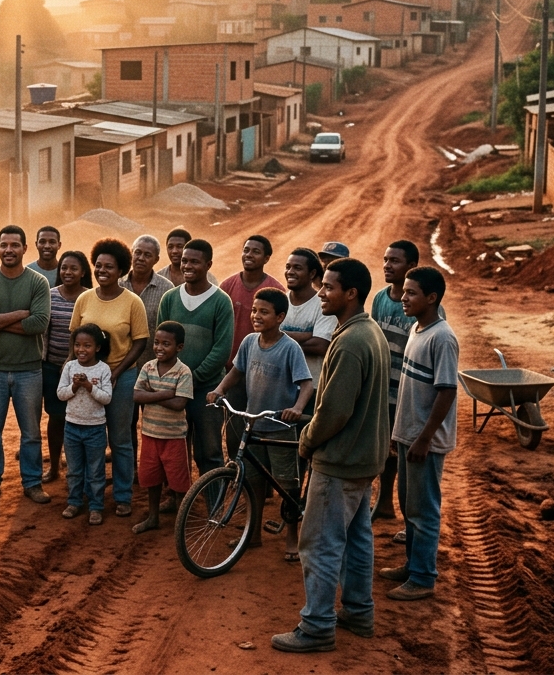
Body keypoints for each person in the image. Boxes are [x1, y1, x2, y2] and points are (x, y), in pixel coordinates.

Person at [273, 258, 390, 655]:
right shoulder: (368, 331)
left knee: (319, 544)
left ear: (351, 293)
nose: (321, 293)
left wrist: (307, 440)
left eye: (329, 287)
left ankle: (318, 625)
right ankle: (358, 611)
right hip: (364, 459)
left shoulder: (351, 341)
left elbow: (334, 412)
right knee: (357, 540)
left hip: (339, 461)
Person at [209, 288, 313, 560]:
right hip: (253, 426)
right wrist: (220, 390)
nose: (256, 315)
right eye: (254, 310)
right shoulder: (249, 341)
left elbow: (306, 383)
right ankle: (252, 535)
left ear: (280, 317)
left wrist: (297, 408)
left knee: (287, 485)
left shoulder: (289, 347)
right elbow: (237, 370)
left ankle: (292, 538)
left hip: (280, 427)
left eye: (263, 312)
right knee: (252, 483)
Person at [379, 267, 457, 602]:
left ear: (432, 298)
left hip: (425, 440)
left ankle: (424, 577)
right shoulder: (416, 328)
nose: (404, 298)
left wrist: (425, 438)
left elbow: (446, 391)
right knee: (410, 507)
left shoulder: (442, 337)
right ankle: (412, 565)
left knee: (424, 511)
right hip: (408, 434)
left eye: (411, 293)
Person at [0, 225, 52, 504]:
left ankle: (32, 483)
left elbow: (39, 324)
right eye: (4, 245)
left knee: (30, 433)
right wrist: (19, 315)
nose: (8, 250)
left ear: (24, 248)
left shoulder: (38, 282)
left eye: (14, 245)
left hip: (29, 369)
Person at [70, 239, 149, 517]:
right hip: (84, 379)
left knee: (120, 439)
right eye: (98, 266)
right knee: (85, 435)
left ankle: (123, 496)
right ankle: (83, 495)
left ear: (121, 270)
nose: (102, 271)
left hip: (122, 377)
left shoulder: (132, 302)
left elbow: (139, 342)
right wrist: (71, 372)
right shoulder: (84, 299)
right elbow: (75, 340)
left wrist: (115, 373)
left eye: (109, 267)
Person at [370, 240, 445, 525]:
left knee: (410, 461)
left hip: (409, 394)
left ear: (411, 266)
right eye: (385, 259)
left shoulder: (428, 310)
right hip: (383, 390)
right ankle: (385, 501)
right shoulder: (379, 299)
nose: (387, 265)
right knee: (386, 451)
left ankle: (412, 520)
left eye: (395, 261)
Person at [156, 239, 234, 477]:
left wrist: (190, 380)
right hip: (174, 388)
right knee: (173, 448)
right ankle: (177, 501)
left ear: (208, 264)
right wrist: (175, 382)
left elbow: (221, 351)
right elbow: (161, 345)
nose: (187, 266)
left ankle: (215, 505)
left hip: (206, 391)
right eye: (184, 261)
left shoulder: (221, 302)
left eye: (194, 262)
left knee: (208, 451)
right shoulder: (169, 298)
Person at [130, 322, 193, 535]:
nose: (159, 348)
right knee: (151, 478)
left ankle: (181, 522)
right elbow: (136, 396)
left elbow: (180, 404)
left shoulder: (183, 372)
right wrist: (166, 393)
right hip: (150, 434)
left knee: (179, 481)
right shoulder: (148, 367)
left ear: (179, 347)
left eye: (166, 344)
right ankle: (153, 517)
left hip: (174, 436)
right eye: (156, 342)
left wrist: (152, 395)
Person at [120, 234, 175, 475]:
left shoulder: (166, 289)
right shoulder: (117, 284)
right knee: (125, 424)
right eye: (137, 252)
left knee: (158, 426)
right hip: (124, 368)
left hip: (156, 371)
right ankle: (130, 473)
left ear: (156, 260)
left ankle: (159, 475)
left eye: (147, 254)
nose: (140, 258)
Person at [43, 251, 93, 483]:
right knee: (56, 417)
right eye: (64, 268)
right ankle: (54, 467)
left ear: (83, 272)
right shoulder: (50, 295)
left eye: (73, 268)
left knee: (84, 418)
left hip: (85, 370)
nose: (67, 272)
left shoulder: (91, 297)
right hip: (53, 367)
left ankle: (81, 471)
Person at [57, 323, 114, 525]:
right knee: (74, 469)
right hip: (72, 426)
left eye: (87, 345)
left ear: (97, 347)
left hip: (95, 428)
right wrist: (74, 386)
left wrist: (89, 386)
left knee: (96, 470)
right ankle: (74, 502)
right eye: (78, 345)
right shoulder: (70, 367)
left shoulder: (103, 369)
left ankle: (96, 506)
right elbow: (61, 394)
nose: (81, 350)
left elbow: (107, 398)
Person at [219, 235, 285, 408]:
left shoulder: (276, 290)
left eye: (256, 252)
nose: (249, 255)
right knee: (233, 424)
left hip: (263, 371)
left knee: (259, 423)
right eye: (246, 250)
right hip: (231, 369)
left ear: (266, 258)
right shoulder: (227, 286)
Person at [280, 248, 336, 385]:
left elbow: (320, 345)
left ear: (312, 274)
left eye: (297, 268)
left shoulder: (325, 305)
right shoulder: (280, 301)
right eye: (288, 267)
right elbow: (265, 337)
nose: (290, 272)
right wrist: (308, 335)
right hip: (281, 384)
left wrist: (279, 337)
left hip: (313, 386)